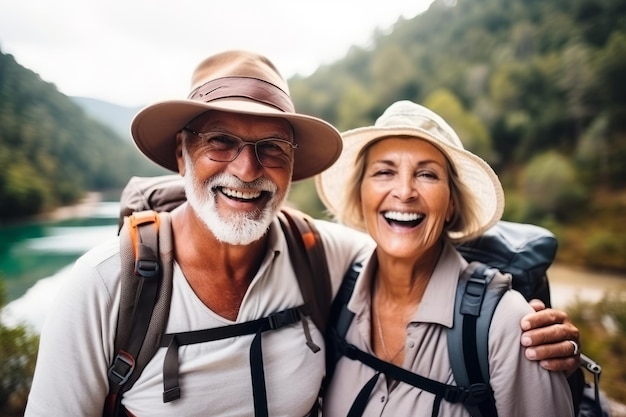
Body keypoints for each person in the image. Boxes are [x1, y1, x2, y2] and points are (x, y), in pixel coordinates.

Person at [24, 51, 579, 417]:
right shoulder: (103, 289)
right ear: (181, 152)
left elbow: (413, 245)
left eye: (271, 147)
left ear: (292, 164)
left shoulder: (318, 253)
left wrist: (522, 320)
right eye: (220, 141)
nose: (246, 170)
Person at [316, 100, 575, 416]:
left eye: (426, 174)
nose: (405, 191)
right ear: (361, 194)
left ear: (451, 204)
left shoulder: (506, 324)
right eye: (384, 171)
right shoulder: (337, 296)